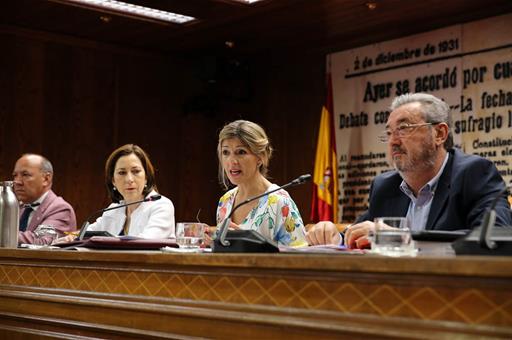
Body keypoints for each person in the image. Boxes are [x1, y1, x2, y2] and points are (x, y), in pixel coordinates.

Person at [307, 92, 511, 248]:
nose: (393, 141)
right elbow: (363, 230)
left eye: (404, 129)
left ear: (439, 134)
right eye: (389, 132)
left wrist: (401, 238)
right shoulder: (385, 186)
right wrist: (336, 236)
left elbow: (494, 239)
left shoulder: (474, 173)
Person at [56, 144, 175, 243]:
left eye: (136, 171)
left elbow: (147, 242)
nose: (129, 179)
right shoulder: (113, 210)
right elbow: (87, 235)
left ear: (146, 177)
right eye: (122, 173)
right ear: (113, 181)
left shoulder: (161, 206)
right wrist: (72, 238)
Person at [216, 120, 307, 247]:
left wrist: (250, 245)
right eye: (226, 152)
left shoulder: (279, 202)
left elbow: (300, 258)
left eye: (241, 152)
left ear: (260, 157)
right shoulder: (225, 201)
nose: (232, 161)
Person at [13, 154, 76, 245]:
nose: (17, 181)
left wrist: (4, 235)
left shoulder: (61, 209)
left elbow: (42, 241)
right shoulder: (16, 206)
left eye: (25, 175)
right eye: (15, 175)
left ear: (46, 179)